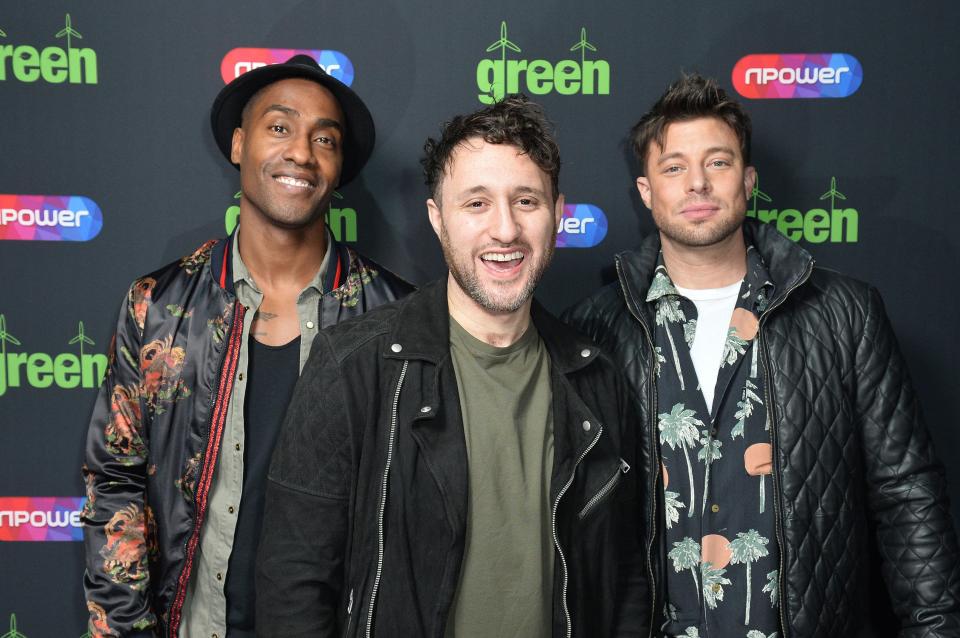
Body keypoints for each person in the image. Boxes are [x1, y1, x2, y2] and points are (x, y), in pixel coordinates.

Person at [564, 73, 960, 637]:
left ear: (747, 180)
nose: (697, 183)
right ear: (647, 191)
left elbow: (907, 493)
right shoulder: (594, 329)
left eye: (717, 163)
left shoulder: (845, 313)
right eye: (674, 167)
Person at [255, 95, 643, 637]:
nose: (504, 230)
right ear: (438, 218)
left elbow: (622, 580)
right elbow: (292, 583)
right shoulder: (354, 364)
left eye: (526, 201)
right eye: (476, 203)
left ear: (558, 214)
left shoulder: (595, 379)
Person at [80, 55, 413, 638]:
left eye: (325, 139)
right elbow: (114, 484)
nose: (301, 153)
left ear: (339, 167)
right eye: (279, 127)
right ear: (239, 144)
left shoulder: (395, 319)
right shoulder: (157, 307)